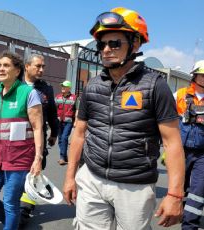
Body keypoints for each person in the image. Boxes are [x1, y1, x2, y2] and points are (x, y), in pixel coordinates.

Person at [63, 7, 185, 229]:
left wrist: (175, 195)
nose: (106, 50)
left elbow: (172, 142)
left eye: (115, 43)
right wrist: (70, 177)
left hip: (134, 187)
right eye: (102, 45)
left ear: (135, 44)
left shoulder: (155, 85)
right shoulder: (92, 86)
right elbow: (79, 134)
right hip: (92, 179)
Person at [0, 51, 44, 230]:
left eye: (6, 65)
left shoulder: (28, 93)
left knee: (10, 202)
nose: (1, 68)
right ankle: (12, 222)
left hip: (18, 158)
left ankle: (10, 225)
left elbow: (38, 128)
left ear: (17, 71)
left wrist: (37, 158)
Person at [19, 53, 58, 226]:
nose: (41, 70)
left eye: (43, 66)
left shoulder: (46, 89)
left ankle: (24, 210)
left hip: (38, 139)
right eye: (38, 66)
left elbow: (52, 114)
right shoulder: (15, 84)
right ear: (26, 66)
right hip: (17, 140)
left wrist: (54, 133)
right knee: (17, 176)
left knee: (34, 173)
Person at [175, 60, 204, 230]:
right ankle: (180, 212)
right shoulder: (179, 95)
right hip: (181, 151)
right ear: (195, 75)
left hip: (203, 154)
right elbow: (166, 120)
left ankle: (189, 225)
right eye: (202, 75)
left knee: (199, 190)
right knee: (179, 186)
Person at [54, 80, 77, 165]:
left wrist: (76, 121)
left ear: (69, 88)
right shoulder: (58, 97)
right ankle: (64, 156)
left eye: (64, 86)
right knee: (60, 139)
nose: (62, 88)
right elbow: (53, 109)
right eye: (62, 86)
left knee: (64, 138)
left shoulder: (74, 98)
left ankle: (62, 157)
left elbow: (77, 110)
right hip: (59, 121)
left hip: (68, 121)